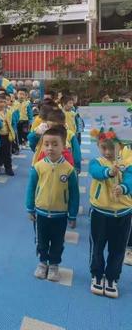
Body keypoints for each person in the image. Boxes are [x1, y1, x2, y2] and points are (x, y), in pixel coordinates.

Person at [25, 126, 79, 282]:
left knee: (57, 241)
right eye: (46, 144)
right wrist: (30, 208)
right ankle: (42, 263)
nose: (50, 148)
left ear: (64, 146)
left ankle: (54, 265)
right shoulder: (38, 167)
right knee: (41, 240)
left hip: (60, 214)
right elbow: (31, 189)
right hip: (41, 212)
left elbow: (74, 194)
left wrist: (72, 214)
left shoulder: (69, 170)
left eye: (55, 144)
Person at [88, 132, 132, 298]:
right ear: (98, 147)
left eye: (111, 148)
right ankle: (97, 275)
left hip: (123, 213)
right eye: (103, 148)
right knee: (97, 246)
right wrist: (109, 172)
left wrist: (123, 188)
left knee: (118, 248)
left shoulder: (127, 164)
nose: (107, 152)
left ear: (121, 146)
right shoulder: (96, 162)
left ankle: (112, 278)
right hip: (100, 212)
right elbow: (96, 172)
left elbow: (130, 179)